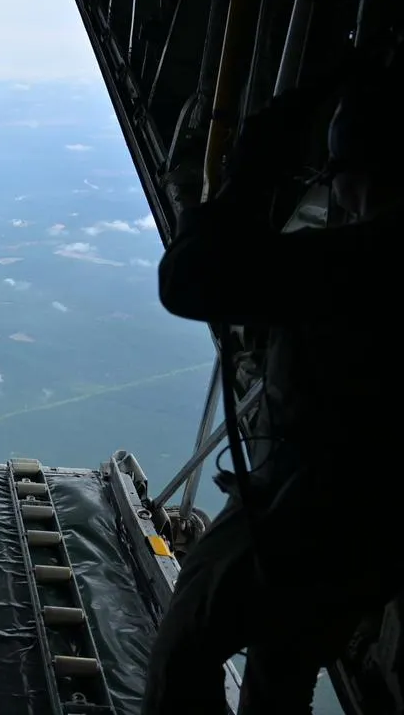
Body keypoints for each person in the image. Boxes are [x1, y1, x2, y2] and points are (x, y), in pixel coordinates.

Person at [141, 43, 404, 714]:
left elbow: (189, 280)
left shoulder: (362, 263)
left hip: (309, 505)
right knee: (284, 670)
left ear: (353, 167)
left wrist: (257, 161)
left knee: (184, 654)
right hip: (371, 526)